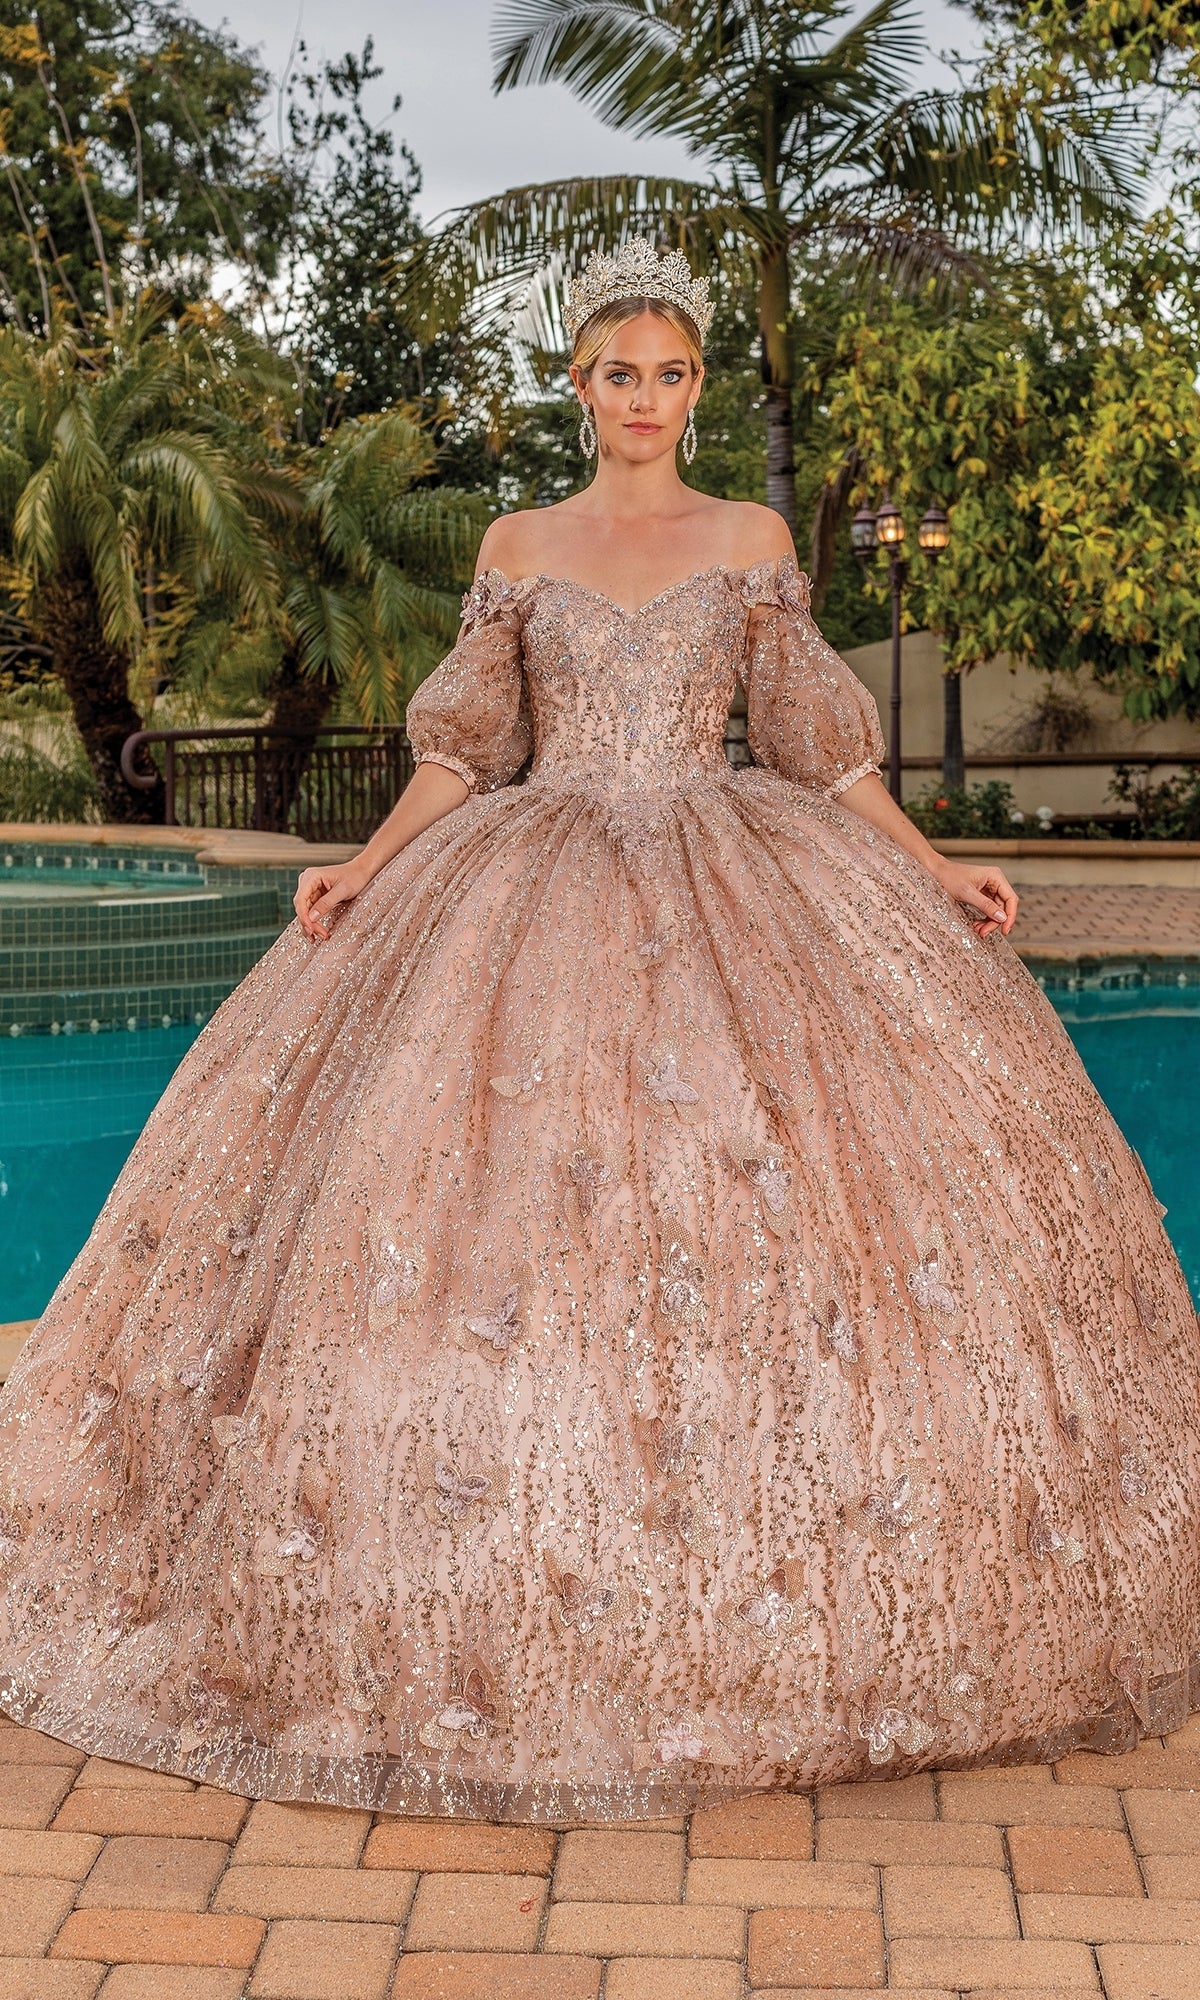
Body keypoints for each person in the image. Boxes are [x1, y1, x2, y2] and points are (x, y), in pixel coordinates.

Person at [0, 240, 1195, 1826]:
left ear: (699, 385)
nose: (647, 399)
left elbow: (819, 748)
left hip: (739, 883)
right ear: (579, 385)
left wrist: (933, 864)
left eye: (674, 372)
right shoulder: (519, 541)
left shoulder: (751, 537)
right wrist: (362, 867)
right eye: (619, 373)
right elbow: (468, 755)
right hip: (531, 885)